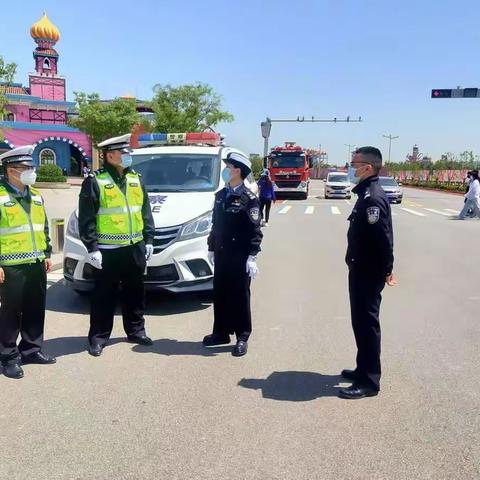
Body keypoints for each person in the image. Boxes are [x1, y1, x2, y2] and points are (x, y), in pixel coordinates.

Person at [78, 133, 156, 357]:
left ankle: (136, 330)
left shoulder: (136, 179)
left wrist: (149, 239)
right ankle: (99, 337)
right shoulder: (95, 180)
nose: (127, 155)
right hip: (107, 250)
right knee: (104, 295)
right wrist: (92, 248)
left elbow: (145, 211)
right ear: (110, 155)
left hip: (134, 247)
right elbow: (87, 218)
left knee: (135, 292)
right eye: (123, 152)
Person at [339, 146, 396, 400]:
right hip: (361, 268)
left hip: (368, 271)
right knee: (360, 322)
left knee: (367, 324)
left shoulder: (372, 197)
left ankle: (370, 381)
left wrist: (386, 269)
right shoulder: (365, 194)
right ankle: (363, 368)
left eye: (355, 162)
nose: (351, 166)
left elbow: (382, 239)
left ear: (368, 167)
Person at [0, 145, 56, 379]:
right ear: (11, 170)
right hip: (10, 266)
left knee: (34, 308)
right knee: (10, 314)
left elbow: (42, 226)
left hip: (35, 262)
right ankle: (9, 357)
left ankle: (32, 349)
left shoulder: (35, 195)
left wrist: (47, 253)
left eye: (30, 166)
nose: (31, 171)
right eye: (25, 168)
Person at [203, 152, 263, 357]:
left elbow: (255, 230)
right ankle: (220, 332)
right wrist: (211, 246)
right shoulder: (221, 195)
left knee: (239, 296)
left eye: (228, 167)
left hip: (240, 256)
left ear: (238, 171)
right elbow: (215, 224)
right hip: (221, 253)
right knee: (220, 293)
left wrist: (252, 256)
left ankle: (242, 336)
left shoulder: (250, 198)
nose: (226, 170)